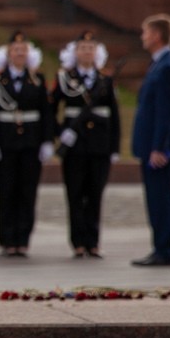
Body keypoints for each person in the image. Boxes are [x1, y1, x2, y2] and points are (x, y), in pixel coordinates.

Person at [0, 31, 54, 257]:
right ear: (7, 54)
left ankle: (23, 239)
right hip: (5, 142)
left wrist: (46, 141)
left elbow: (46, 113)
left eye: (23, 51)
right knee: (6, 192)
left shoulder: (38, 79)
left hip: (31, 143)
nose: (19, 54)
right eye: (15, 50)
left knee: (27, 192)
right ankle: (6, 239)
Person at [52, 29, 121, 258]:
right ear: (75, 52)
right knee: (75, 194)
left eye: (91, 48)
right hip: (75, 145)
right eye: (82, 48)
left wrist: (114, 147)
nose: (87, 52)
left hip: (99, 145)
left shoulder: (105, 79)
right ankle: (78, 242)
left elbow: (114, 116)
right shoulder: (65, 78)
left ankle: (93, 241)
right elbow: (50, 111)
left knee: (95, 194)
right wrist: (61, 133)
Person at [131, 13, 170, 266]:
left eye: (145, 32)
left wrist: (160, 147)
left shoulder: (167, 67)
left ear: (157, 35)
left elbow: (166, 112)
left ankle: (164, 249)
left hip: (158, 149)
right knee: (155, 198)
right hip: (151, 146)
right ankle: (160, 247)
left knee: (161, 198)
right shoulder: (159, 64)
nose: (143, 37)